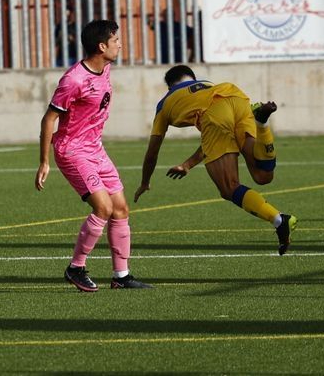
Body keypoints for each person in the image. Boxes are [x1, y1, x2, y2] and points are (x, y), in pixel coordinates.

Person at [35, 20, 152, 291]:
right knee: (103, 208)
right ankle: (75, 268)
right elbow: (49, 119)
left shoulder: (105, 67)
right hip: (72, 150)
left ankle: (121, 276)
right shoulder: (73, 80)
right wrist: (44, 161)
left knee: (121, 209)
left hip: (95, 148)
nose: (120, 44)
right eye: (115, 40)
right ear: (101, 46)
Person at [134, 64, 297, 255]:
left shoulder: (165, 104)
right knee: (263, 175)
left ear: (170, 87)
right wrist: (188, 164)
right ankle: (261, 124)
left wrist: (144, 182)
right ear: (193, 79)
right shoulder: (208, 85)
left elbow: (152, 152)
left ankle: (279, 220)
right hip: (236, 96)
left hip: (215, 111)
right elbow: (211, 135)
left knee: (229, 187)